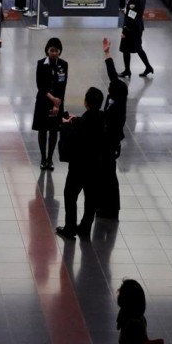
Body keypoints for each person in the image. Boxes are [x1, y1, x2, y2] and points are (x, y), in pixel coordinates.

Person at [55, 87, 104, 240]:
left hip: (79, 166)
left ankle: (70, 228)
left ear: (86, 102)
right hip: (95, 165)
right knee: (90, 198)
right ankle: (85, 227)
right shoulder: (102, 118)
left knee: (70, 195)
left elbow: (73, 140)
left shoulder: (82, 123)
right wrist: (75, 120)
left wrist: (66, 126)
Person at [98, 38, 128, 221]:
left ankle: (112, 208)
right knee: (104, 175)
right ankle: (103, 204)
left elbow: (111, 128)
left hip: (110, 144)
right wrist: (107, 53)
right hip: (106, 143)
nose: (108, 88)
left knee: (109, 176)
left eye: (110, 89)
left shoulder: (117, 108)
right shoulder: (115, 96)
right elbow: (113, 75)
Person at [31, 37, 68, 171]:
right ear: (47, 51)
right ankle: (42, 158)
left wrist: (57, 104)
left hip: (58, 103)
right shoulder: (41, 64)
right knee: (42, 130)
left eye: (56, 51)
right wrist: (52, 99)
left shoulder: (64, 64)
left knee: (53, 131)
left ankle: (50, 159)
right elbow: (40, 85)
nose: (54, 53)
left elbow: (63, 85)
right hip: (43, 101)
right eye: (52, 50)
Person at [119, 0, 154, 78]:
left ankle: (127, 70)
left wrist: (125, 30)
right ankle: (148, 67)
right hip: (138, 26)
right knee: (138, 48)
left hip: (131, 28)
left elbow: (131, 16)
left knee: (126, 48)